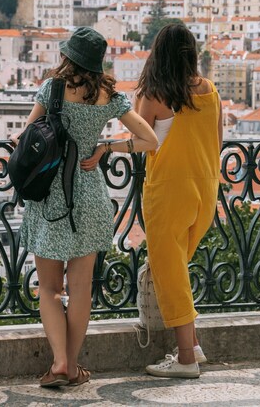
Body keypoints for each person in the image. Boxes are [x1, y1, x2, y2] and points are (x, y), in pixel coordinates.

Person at [15, 26, 158, 389]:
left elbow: (26, 135)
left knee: (50, 289)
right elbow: (149, 139)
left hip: (51, 196)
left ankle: (60, 362)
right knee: (80, 290)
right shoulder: (109, 96)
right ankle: (74, 365)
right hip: (90, 196)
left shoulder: (52, 89)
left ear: (67, 56)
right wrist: (107, 148)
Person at [135, 22, 222, 378]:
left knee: (169, 272)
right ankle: (194, 345)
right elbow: (217, 141)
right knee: (178, 269)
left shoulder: (155, 94)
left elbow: (139, 140)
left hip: (169, 191)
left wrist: (106, 148)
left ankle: (186, 358)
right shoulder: (210, 91)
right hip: (205, 190)